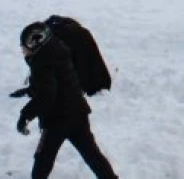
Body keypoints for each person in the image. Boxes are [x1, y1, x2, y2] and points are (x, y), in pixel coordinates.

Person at [15, 22, 118, 179]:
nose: (22, 50)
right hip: (78, 112)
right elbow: (55, 83)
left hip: (57, 119)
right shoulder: (57, 51)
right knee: (92, 154)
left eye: (24, 47)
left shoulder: (42, 63)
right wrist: (32, 90)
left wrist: (25, 115)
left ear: (35, 44)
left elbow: (46, 95)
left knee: (43, 159)